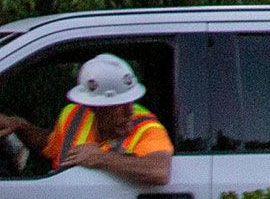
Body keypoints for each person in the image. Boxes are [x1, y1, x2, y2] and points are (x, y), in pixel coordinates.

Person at [0, 55, 173, 187]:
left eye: (131, 101)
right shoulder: (73, 115)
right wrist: (21, 127)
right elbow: (51, 145)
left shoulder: (147, 127)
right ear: (95, 107)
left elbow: (159, 171)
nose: (130, 111)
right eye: (119, 105)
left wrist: (101, 158)